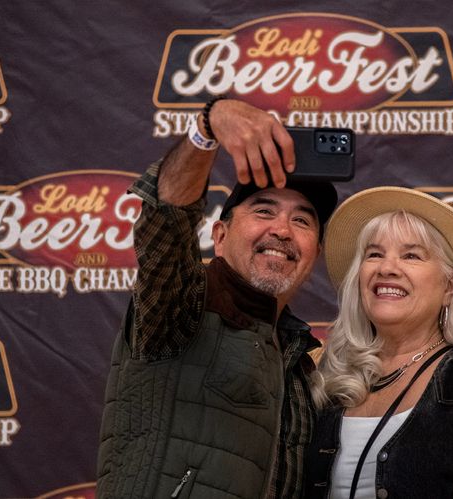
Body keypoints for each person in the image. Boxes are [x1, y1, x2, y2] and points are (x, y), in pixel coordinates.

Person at [96, 97, 338, 499]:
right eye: (264, 211)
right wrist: (208, 127)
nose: (282, 230)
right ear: (220, 237)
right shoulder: (185, 302)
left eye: (301, 220)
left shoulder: (302, 365)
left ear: (314, 253)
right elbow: (166, 223)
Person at [304, 187, 453, 498]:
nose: (387, 268)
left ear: (450, 286)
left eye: (411, 255)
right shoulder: (333, 379)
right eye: (374, 254)